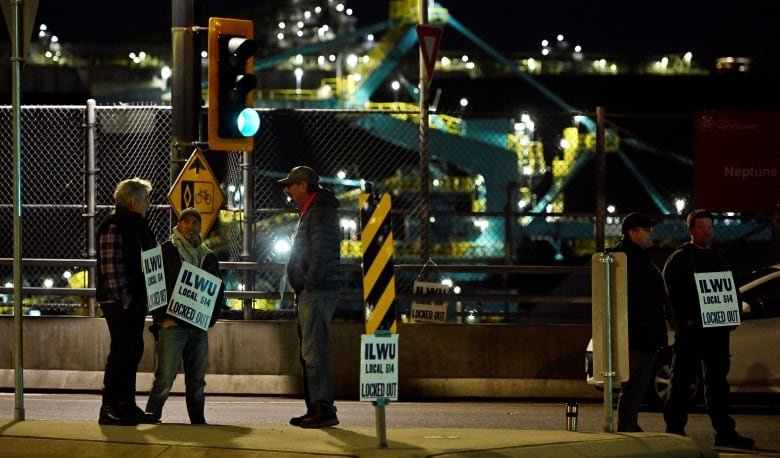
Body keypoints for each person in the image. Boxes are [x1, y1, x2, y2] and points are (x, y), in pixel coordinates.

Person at [662, 209, 754, 448]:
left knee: (718, 384)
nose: (707, 231)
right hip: (691, 333)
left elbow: (729, 288)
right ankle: (674, 432)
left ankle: (724, 432)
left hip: (716, 332)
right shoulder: (680, 258)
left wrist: (731, 316)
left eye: (710, 227)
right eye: (702, 227)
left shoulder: (718, 256)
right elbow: (670, 296)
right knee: (682, 382)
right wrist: (685, 321)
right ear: (691, 230)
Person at [144, 207, 225, 424]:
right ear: (178, 225)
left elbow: (218, 291)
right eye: (186, 222)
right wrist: (162, 319)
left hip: (198, 327)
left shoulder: (208, 256)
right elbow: (153, 287)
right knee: (165, 377)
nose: (190, 226)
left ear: (200, 227)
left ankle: (198, 419)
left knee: (197, 380)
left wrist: (210, 320)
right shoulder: (165, 251)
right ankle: (152, 414)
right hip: (173, 326)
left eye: (195, 223)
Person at [278, 166, 342, 428]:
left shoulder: (320, 212)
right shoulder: (312, 211)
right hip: (313, 290)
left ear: (304, 186)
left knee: (314, 352)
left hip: (316, 291)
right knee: (310, 352)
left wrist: (309, 283)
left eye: (291, 185)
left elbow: (322, 252)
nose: (287, 190)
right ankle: (316, 408)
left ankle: (323, 409)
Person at [96, 177, 158, 426]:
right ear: (133, 201)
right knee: (122, 351)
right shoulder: (115, 226)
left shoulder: (137, 226)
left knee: (132, 350)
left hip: (133, 300)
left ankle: (126, 404)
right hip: (119, 301)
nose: (149, 204)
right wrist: (125, 299)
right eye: (146, 199)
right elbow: (112, 268)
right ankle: (109, 406)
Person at [610, 212, 668, 432]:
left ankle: (628, 422)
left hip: (641, 331)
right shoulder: (627, 259)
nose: (651, 234)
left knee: (637, 382)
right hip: (639, 332)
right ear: (633, 233)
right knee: (635, 382)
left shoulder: (635, 257)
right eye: (647, 230)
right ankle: (627, 424)